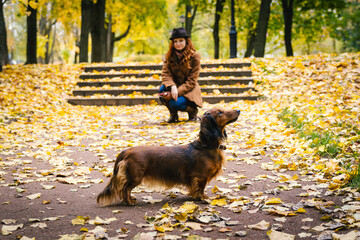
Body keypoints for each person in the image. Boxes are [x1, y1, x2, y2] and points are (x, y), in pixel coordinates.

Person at [159, 27, 203, 123]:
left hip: (189, 90)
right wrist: (172, 86)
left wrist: (176, 92)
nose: (178, 44)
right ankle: (173, 114)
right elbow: (165, 73)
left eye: (181, 41)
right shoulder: (169, 56)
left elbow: (192, 81)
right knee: (162, 91)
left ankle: (192, 110)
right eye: (175, 41)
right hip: (175, 86)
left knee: (174, 102)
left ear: (187, 41)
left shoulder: (195, 56)